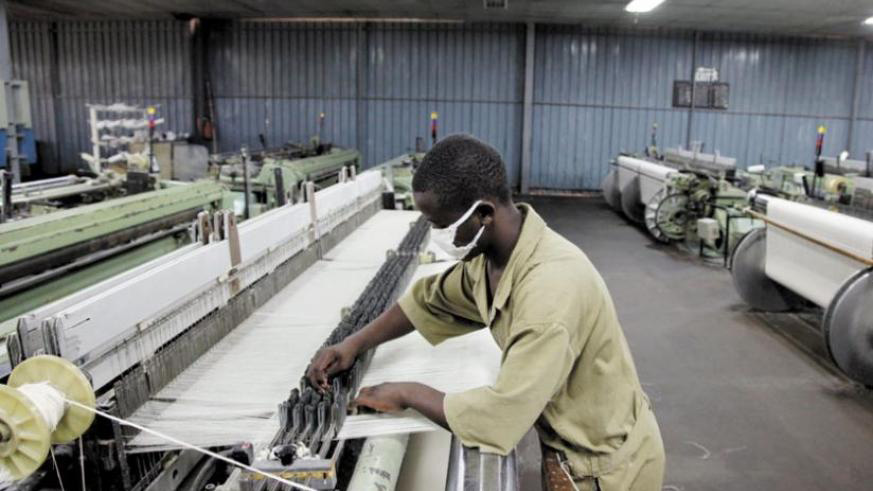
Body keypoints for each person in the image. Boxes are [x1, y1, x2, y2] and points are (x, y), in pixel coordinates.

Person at [307, 134, 665, 490]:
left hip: (608, 469)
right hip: (572, 449)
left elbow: (501, 418)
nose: (435, 235)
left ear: (484, 215)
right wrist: (353, 345)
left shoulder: (549, 292)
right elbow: (429, 301)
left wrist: (407, 393)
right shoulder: (493, 259)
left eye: (440, 225)